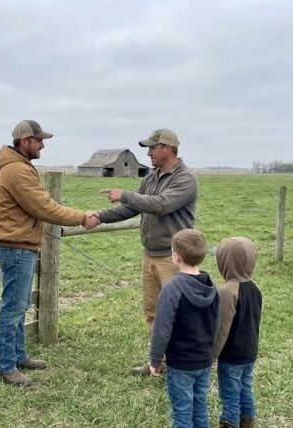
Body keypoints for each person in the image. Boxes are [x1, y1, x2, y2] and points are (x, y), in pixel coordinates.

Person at [0, 119, 100, 387]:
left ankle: (17, 356)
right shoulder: (18, 171)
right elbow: (45, 207)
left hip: (20, 245)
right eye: (39, 141)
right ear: (25, 141)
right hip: (16, 247)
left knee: (20, 304)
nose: (42, 145)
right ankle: (5, 365)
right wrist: (81, 217)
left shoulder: (17, 167)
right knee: (13, 308)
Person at [95, 128, 198, 375]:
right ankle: (157, 363)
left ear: (168, 148)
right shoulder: (152, 177)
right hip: (150, 254)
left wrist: (125, 195)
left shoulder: (185, 178)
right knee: (153, 312)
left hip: (174, 258)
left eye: (153, 147)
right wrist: (99, 216)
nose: (149, 152)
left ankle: (182, 364)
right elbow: (131, 208)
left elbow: (162, 205)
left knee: (177, 313)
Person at [149, 229, 219, 428]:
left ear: (176, 256)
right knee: (199, 407)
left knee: (182, 412)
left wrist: (155, 359)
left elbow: (161, 329)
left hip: (180, 365)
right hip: (204, 361)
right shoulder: (212, 286)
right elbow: (217, 324)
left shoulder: (171, 289)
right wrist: (213, 354)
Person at [212, 237, 262, 428]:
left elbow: (222, 328)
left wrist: (212, 354)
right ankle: (247, 422)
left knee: (230, 396)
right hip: (250, 353)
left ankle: (229, 424)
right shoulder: (255, 288)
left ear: (224, 261)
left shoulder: (227, 291)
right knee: (245, 390)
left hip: (231, 356)